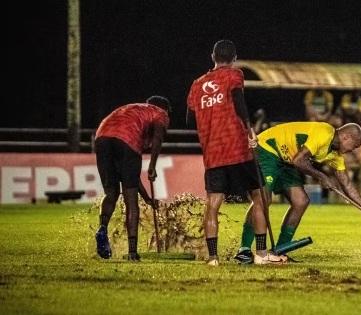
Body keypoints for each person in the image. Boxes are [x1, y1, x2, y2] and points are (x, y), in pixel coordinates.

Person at [187, 39, 282, 266]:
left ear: (213, 56)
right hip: (238, 150)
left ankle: (213, 258)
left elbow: (190, 119)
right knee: (259, 197)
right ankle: (260, 254)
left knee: (212, 204)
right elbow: (239, 101)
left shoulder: (197, 84)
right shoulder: (234, 75)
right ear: (234, 58)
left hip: (213, 154)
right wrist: (250, 130)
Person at [233, 121, 361, 264]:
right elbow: (299, 161)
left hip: (286, 160)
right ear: (346, 137)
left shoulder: (335, 155)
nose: (354, 150)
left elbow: (347, 185)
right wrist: (322, 177)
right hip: (267, 149)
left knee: (301, 201)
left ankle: (279, 251)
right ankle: (244, 249)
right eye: (355, 145)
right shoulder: (324, 134)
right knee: (263, 200)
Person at [94, 95, 170, 262]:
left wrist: (148, 199)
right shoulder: (160, 113)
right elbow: (158, 138)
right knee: (130, 200)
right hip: (126, 139)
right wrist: (152, 164)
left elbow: (133, 177)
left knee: (111, 193)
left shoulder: (133, 109)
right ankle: (132, 252)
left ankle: (102, 228)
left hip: (101, 137)